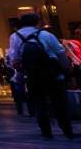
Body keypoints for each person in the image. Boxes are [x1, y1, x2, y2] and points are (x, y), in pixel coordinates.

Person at [8, 12, 75, 140]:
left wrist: (19, 74)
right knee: (59, 102)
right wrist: (66, 67)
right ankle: (67, 130)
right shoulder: (46, 34)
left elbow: (14, 57)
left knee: (39, 103)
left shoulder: (14, 37)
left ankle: (46, 132)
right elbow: (60, 52)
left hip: (32, 75)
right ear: (37, 22)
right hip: (51, 73)